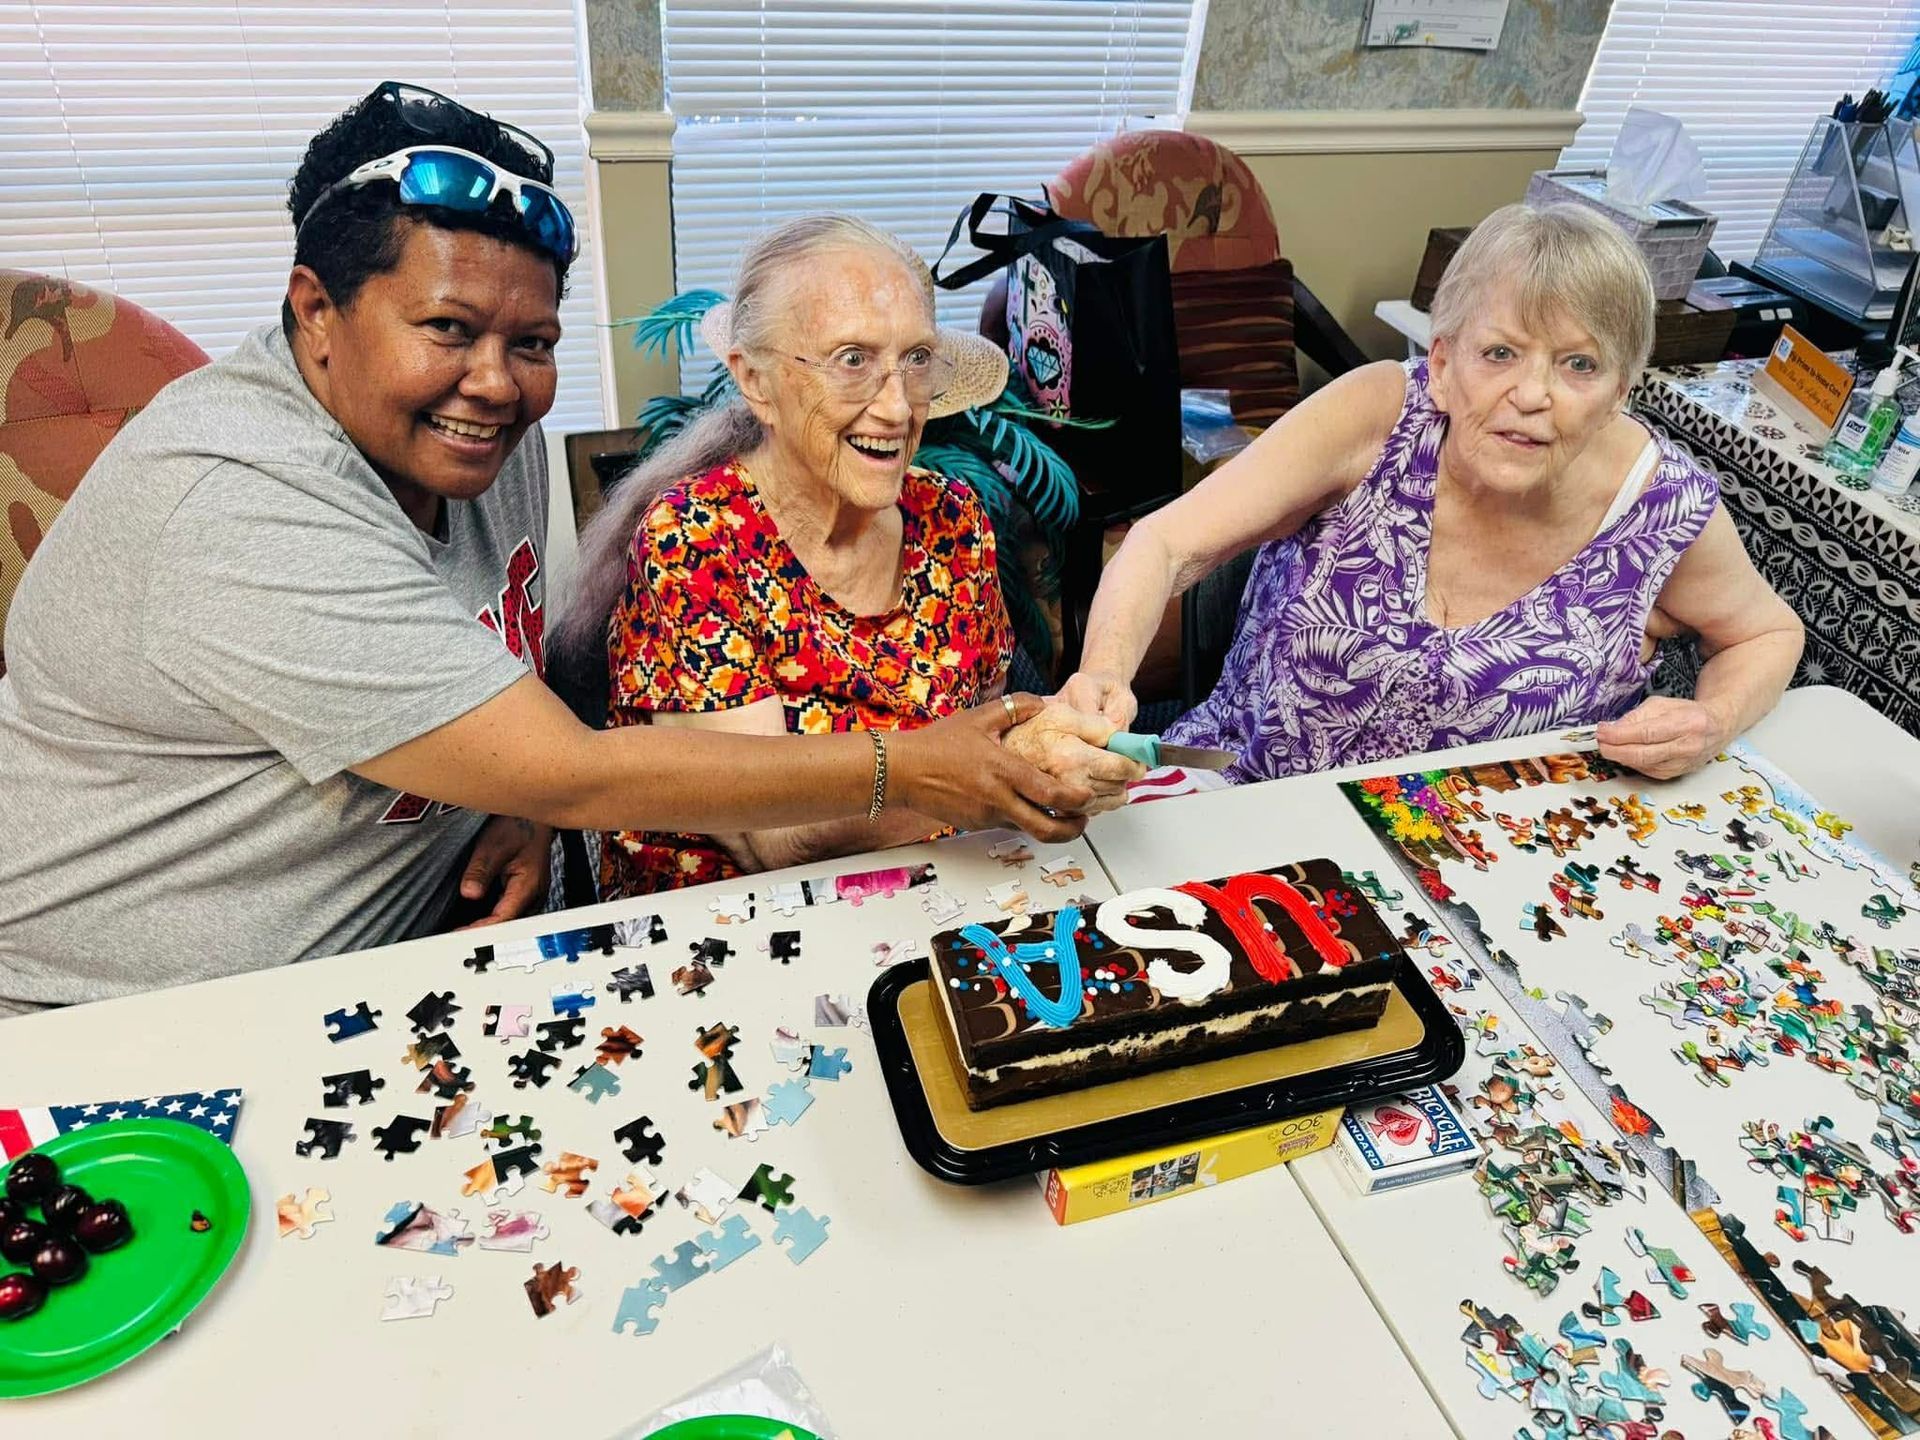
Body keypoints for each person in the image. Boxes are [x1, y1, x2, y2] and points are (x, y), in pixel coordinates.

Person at [0, 86, 1096, 1019]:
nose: (495, 380)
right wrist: (912, 763)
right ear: (316, 312)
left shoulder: (474, 435)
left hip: (412, 950)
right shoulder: (232, 505)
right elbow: (578, 769)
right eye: (446, 329)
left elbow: (504, 685)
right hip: (120, 1015)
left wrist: (503, 803)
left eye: (531, 343)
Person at [1060, 202, 1804, 783]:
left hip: (1495, 862)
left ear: (1622, 391)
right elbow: (1163, 544)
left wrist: (1714, 719)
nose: (1533, 394)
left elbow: (1769, 633)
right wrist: (1100, 677)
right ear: (1443, 362)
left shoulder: (1662, 507)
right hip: (1247, 800)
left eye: (1579, 365)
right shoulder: (1379, 414)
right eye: (1500, 353)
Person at [555, 215, 1139, 896]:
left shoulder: (952, 518)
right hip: (733, 925)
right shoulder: (696, 539)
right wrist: (1003, 772)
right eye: (852, 361)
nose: (895, 409)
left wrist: (1057, 735)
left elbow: (984, 720)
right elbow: (772, 841)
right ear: (756, 381)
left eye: (915, 360)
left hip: (933, 884)